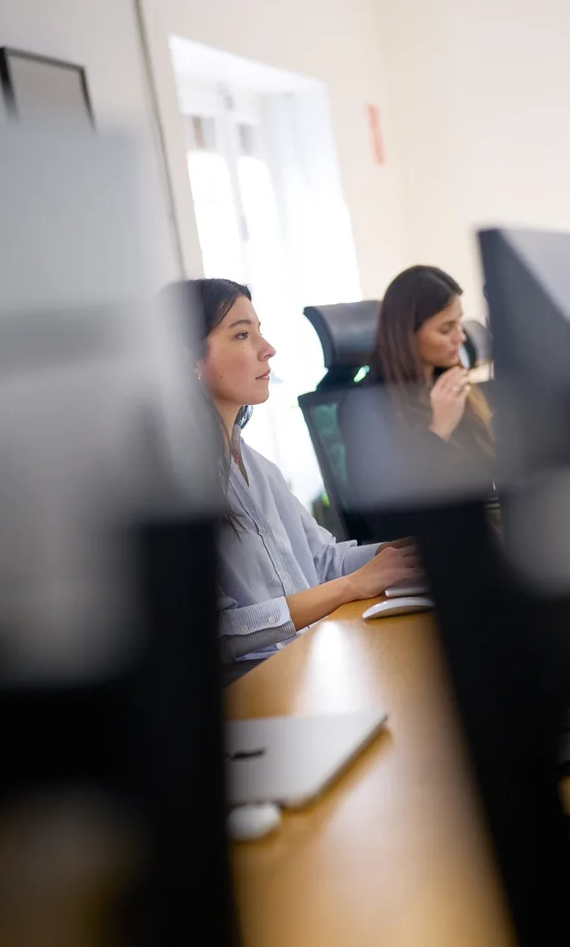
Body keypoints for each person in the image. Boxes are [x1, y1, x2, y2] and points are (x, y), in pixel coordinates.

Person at [175, 277, 419, 682]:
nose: (267, 349)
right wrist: (352, 586)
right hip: (258, 692)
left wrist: (398, 554)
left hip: (309, 666)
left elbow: (323, 561)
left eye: (259, 332)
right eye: (241, 335)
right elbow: (218, 631)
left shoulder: (258, 467)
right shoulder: (178, 484)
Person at [341, 265, 495, 513]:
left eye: (459, 324)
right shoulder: (366, 405)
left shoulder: (446, 382)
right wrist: (439, 429)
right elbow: (386, 511)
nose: (461, 338)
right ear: (406, 335)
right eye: (446, 329)